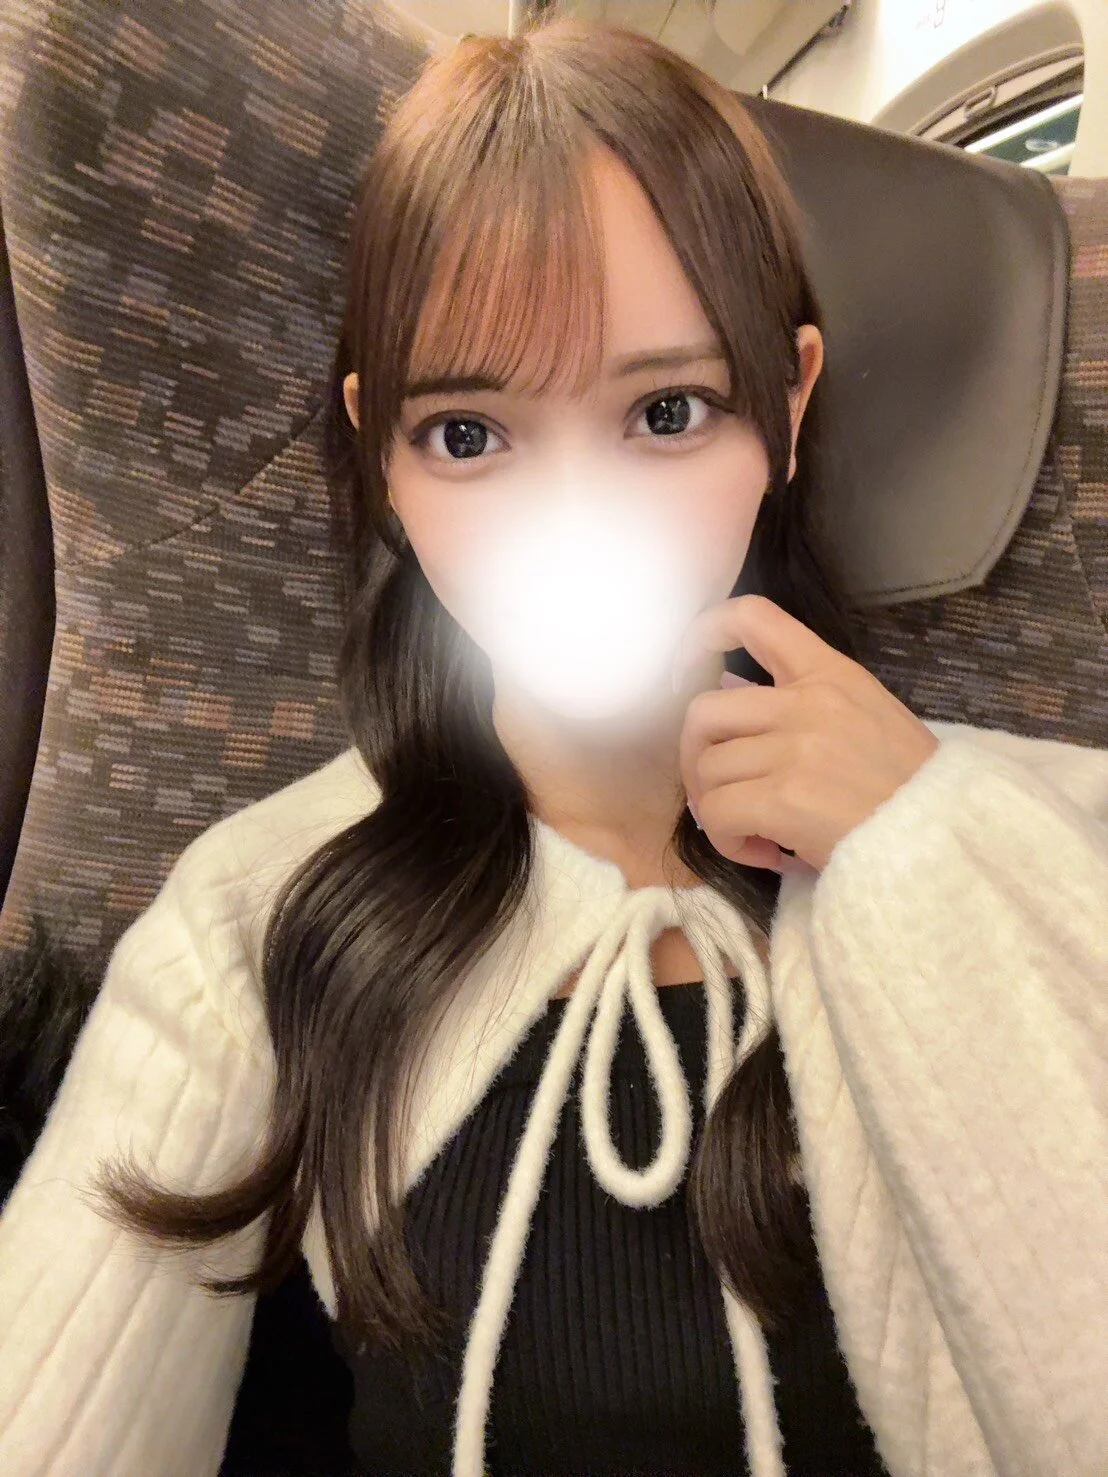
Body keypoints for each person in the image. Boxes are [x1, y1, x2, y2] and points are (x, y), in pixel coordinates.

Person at [2, 14, 1107, 1477]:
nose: (574, 523)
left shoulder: (1055, 831)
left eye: (667, 411)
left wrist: (934, 855)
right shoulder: (252, 915)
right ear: (382, 458)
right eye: (468, 434)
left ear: (787, 408)